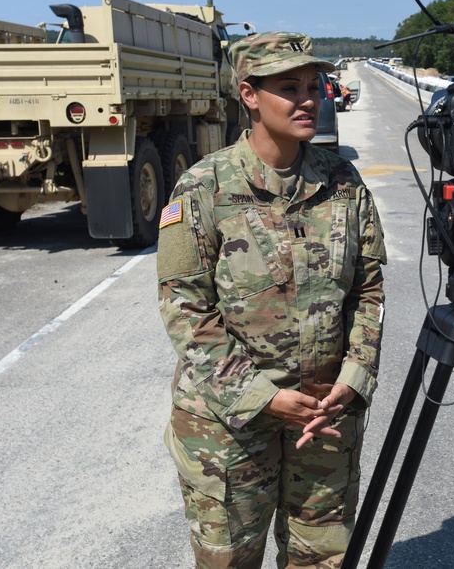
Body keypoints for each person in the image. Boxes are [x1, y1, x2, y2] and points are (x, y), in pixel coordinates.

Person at [157, 31, 387, 568]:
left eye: (315, 85)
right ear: (249, 95)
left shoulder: (343, 183)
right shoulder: (203, 189)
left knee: (322, 559)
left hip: (323, 416)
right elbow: (186, 310)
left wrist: (353, 377)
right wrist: (260, 396)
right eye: (290, 87)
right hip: (229, 429)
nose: (310, 99)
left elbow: (369, 287)